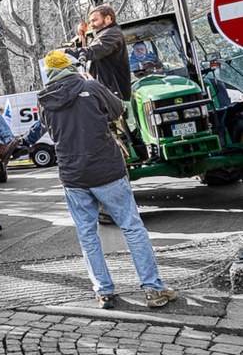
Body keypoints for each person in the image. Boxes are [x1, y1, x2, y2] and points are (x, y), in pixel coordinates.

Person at [29, 50, 178, 309]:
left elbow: (51, 129)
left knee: (87, 235)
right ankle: (153, 289)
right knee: (132, 227)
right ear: (69, 67)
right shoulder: (90, 86)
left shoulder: (43, 100)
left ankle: (104, 291)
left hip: (73, 175)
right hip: (106, 170)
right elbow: (118, 110)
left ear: (49, 74)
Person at [64, 4, 131, 101]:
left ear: (108, 18)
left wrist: (65, 51)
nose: (91, 24)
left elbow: (92, 51)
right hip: (106, 93)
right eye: (90, 21)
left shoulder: (112, 34)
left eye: (94, 20)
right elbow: (88, 51)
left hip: (115, 95)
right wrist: (81, 36)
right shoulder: (101, 35)